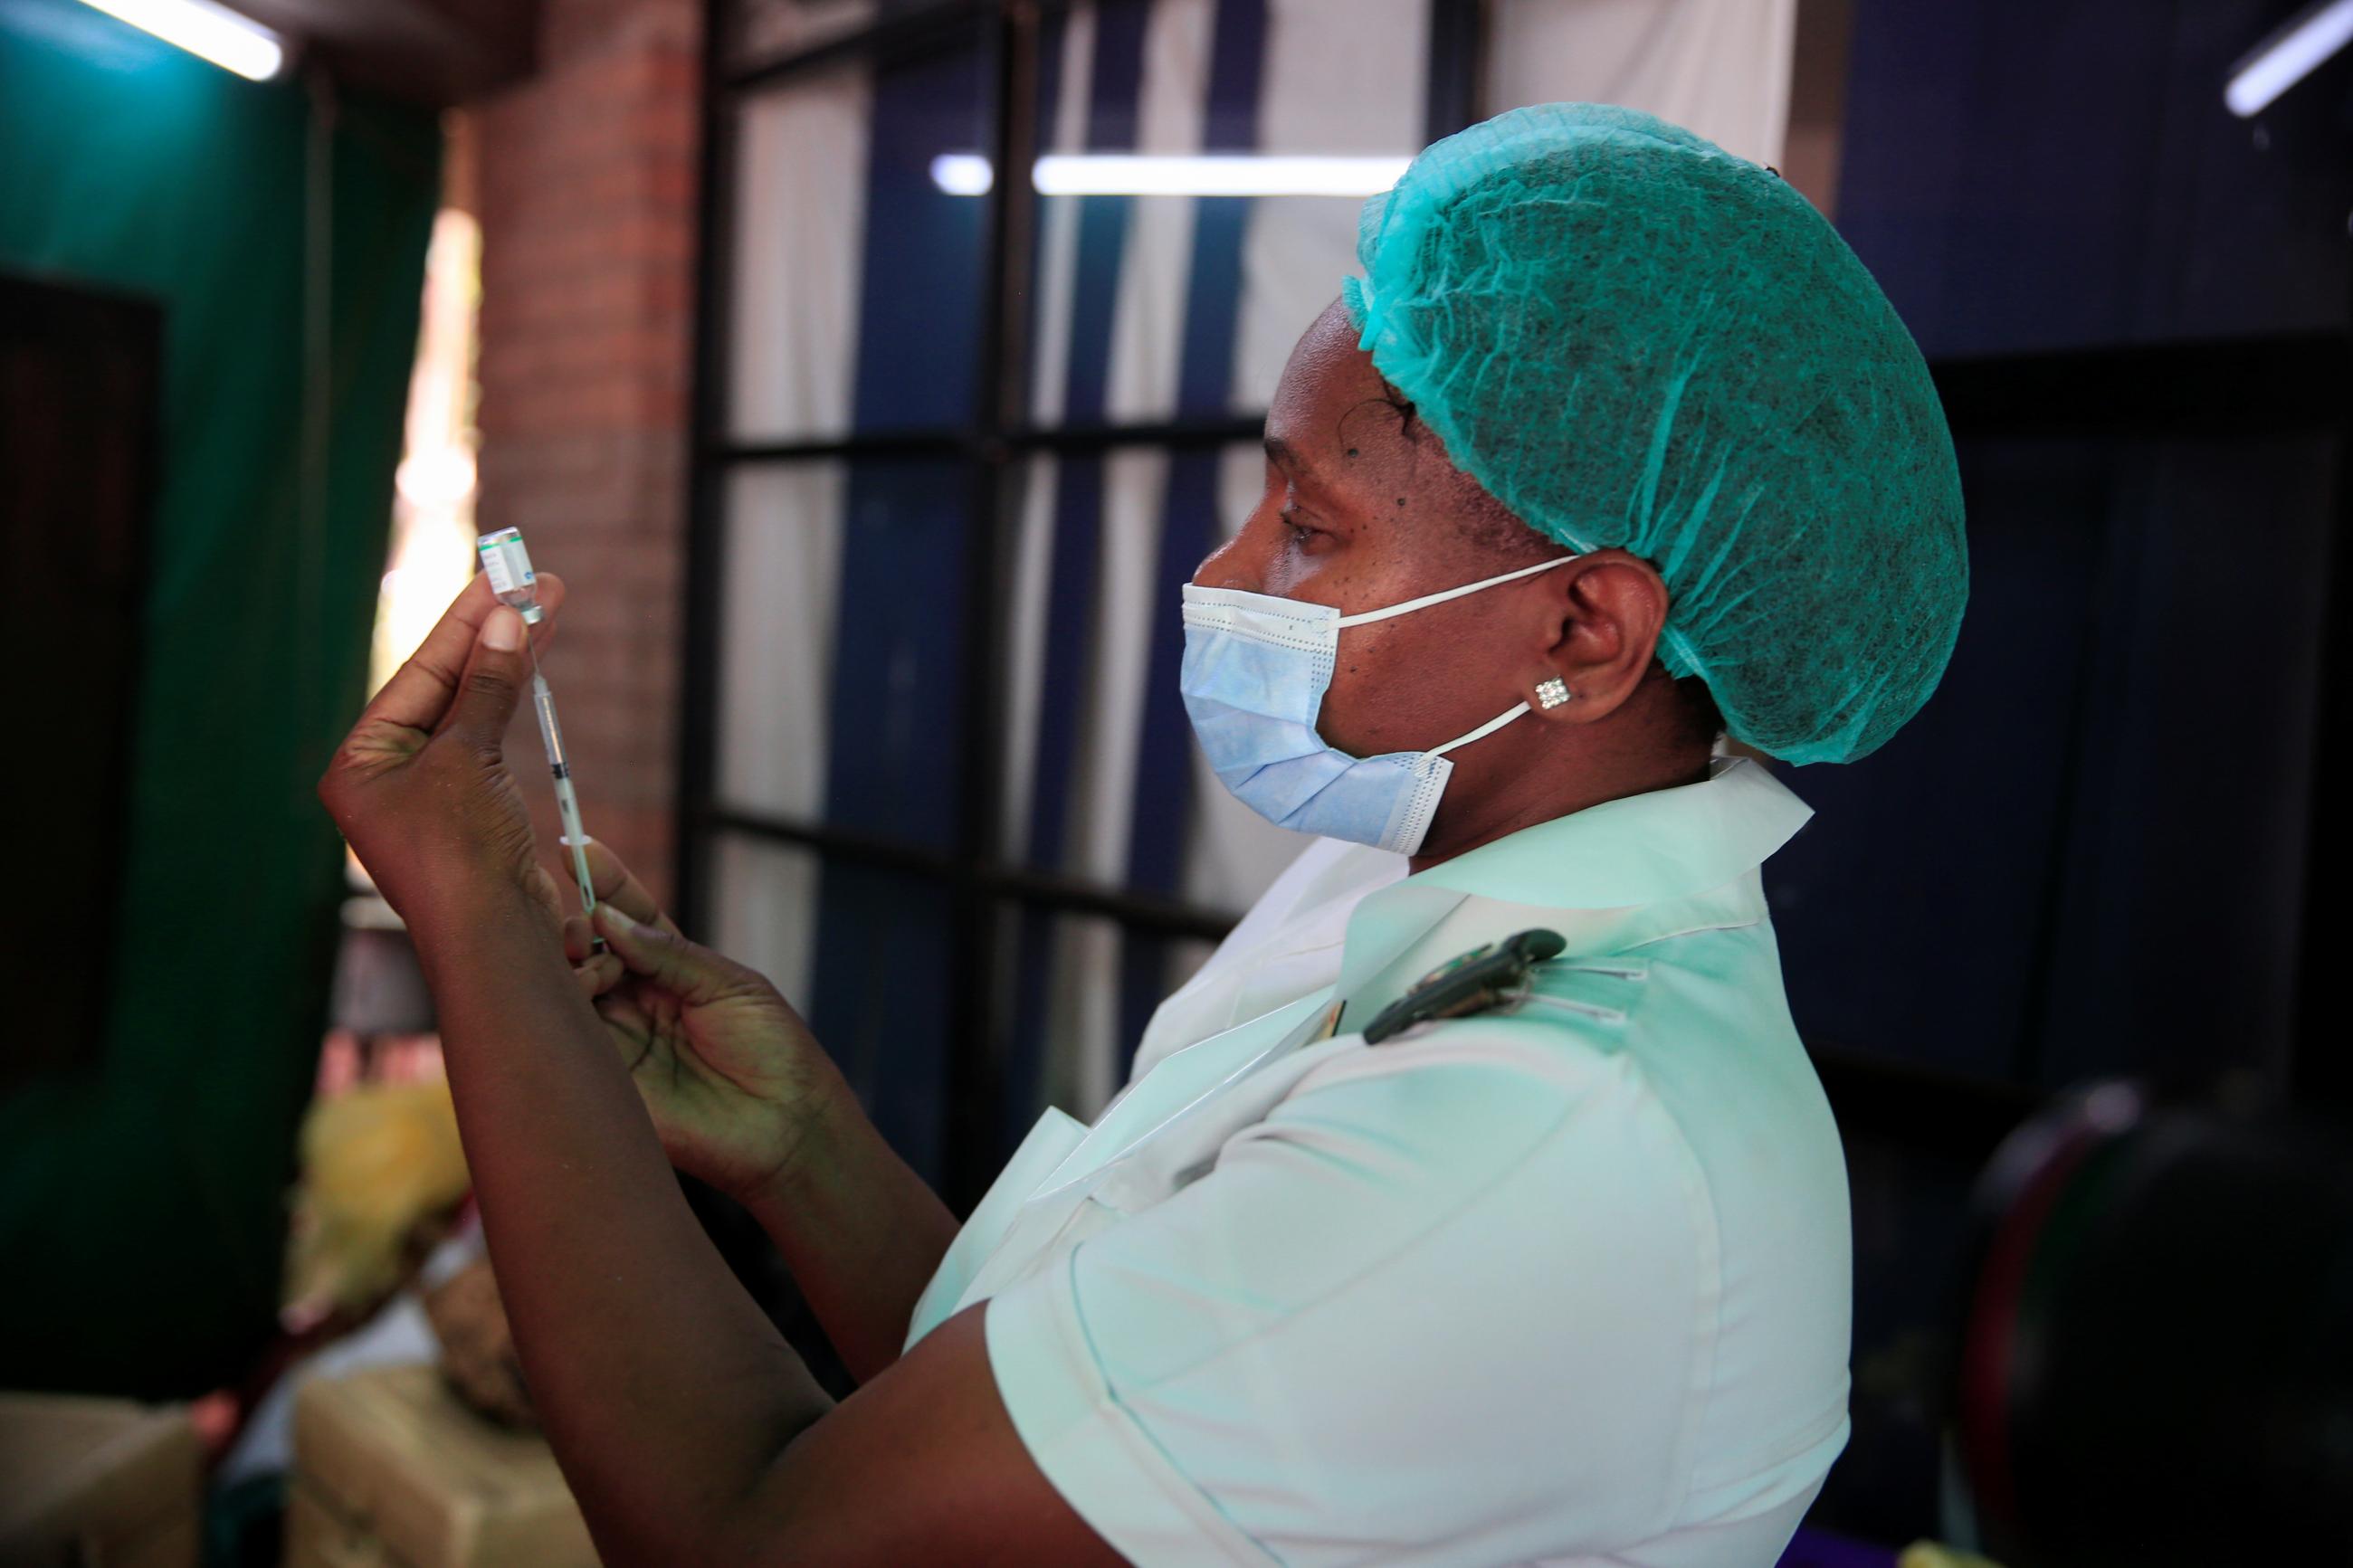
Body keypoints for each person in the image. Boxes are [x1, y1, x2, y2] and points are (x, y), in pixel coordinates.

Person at [320, 104, 1964, 1565]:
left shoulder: (1549, 1142)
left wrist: (471, 902)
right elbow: (1077, 1417)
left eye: (1311, 528)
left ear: (1585, 633)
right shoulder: (1403, 893)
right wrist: (802, 1143)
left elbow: (747, 1530)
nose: (1230, 576)